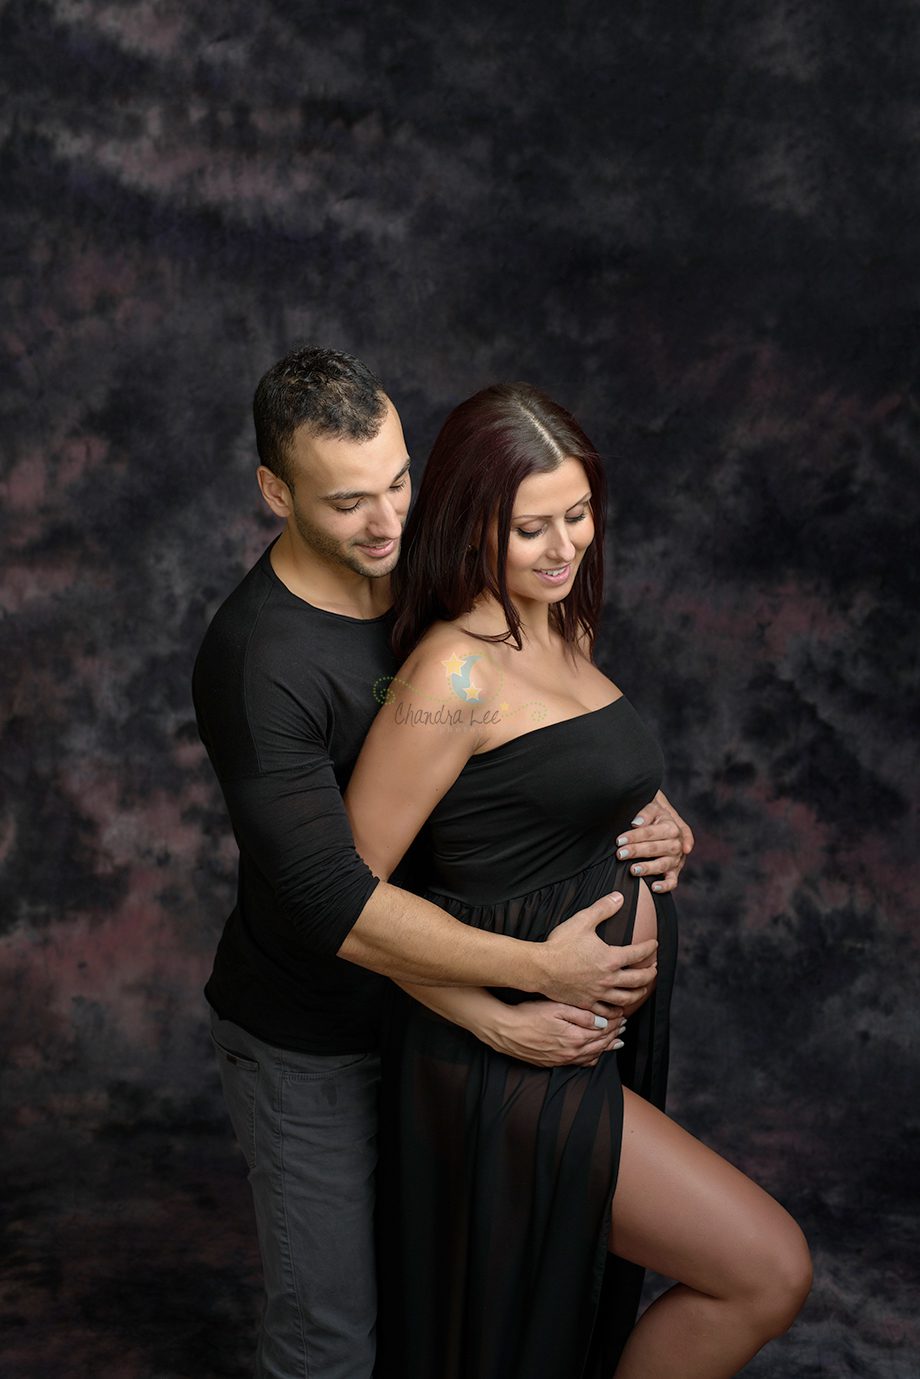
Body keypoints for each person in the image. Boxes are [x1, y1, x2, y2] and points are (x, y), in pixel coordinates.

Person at [192, 347, 694, 1379]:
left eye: (399, 481)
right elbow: (329, 900)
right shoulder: (261, 664)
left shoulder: (438, 559)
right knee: (334, 1332)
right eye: (346, 503)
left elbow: (533, 724)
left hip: (449, 1025)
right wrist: (503, 989)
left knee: (456, 1301)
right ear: (272, 492)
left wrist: (637, 805)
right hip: (316, 1036)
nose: (386, 522)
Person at [342, 382, 813, 1379]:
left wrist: (653, 819)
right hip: (501, 1054)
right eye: (529, 528)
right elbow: (340, 897)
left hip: (582, 1046)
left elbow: (553, 778)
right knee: (765, 1269)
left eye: (577, 515)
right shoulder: (452, 673)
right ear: (472, 526)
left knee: (560, 1317)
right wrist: (489, 1011)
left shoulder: (562, 624)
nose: (563, 548)